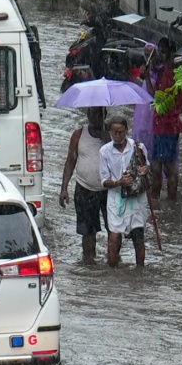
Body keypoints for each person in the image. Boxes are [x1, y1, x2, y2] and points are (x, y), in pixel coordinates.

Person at [98, 116, 150, 268]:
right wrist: (118, 182)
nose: (118, 135)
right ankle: (112, 272)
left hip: (137, 198)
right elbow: (104, 181)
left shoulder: (138, 147)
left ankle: (140, 270)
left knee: (138, 235)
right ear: (110, 133)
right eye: (114, 132)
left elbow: (147, 167)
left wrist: (145, 170)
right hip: (116, 198)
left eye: (121, 132)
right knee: (114, 237)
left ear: (127, 131)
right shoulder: (104, 152)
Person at [59, 107, 109, 264]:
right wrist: (64, 188)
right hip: (84, 188)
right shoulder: (78, 135)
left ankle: (113, 262)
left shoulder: (112, 134)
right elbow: (70, 161)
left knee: (114, 230)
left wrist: (106, 137)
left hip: (110, 190)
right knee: (87, 231)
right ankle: (89, 263)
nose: (95, 117)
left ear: (105, 115)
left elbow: (122, 156)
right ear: (87, 115)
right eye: (92, 113)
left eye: (98, 113)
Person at [146, 38, 182, 204]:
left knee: (163, 166)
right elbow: (153, 96)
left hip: (167, 126)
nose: (159, 55)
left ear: (170, 53)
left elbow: (159, 100)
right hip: (162, 125)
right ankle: (167, 202)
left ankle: (165, 201)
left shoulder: (172, 75)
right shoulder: (163, 72)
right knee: (162, 165)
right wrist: (147, 77)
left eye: (162, 51)